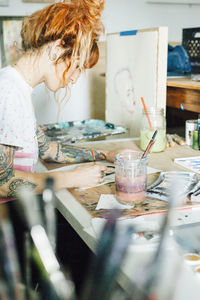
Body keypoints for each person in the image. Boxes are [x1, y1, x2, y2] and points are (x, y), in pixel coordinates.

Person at [0, 0, 132, 200]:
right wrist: (73, 178)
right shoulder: (9, 91)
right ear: (57, 48)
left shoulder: (18, 88)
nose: (75, 78)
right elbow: (3, 183)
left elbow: (48, 150)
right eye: (77, 66)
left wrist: (107, 155)